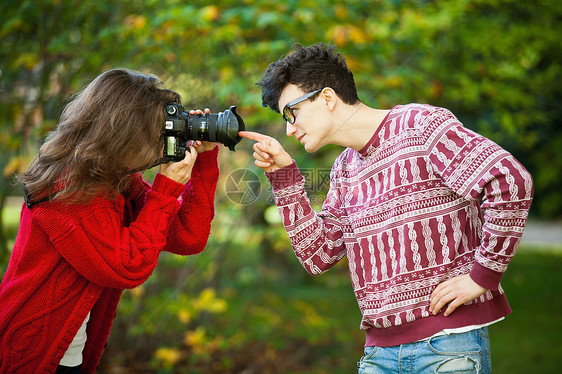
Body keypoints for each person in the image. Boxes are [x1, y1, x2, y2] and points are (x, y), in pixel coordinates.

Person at [240, 43, 533, 373]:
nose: (290, 128)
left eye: (291, 112)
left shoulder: (421, 125)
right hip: (379, 356)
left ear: (326, 98)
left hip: (448, 346)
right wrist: (284, 178)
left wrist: (483, 275)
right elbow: (318, 255)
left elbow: (510, 180)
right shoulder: (344, 168)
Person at [0, 68, 220, 373]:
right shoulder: (66, 189)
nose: (160, 142)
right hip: (31, 354)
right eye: (154, 132)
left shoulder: (115, 180)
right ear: (124, 134)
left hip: (69, 353)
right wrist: (166, 190)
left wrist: (204, 163)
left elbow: (187, 237)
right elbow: (128, 266)